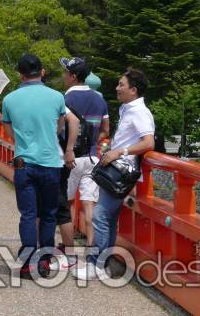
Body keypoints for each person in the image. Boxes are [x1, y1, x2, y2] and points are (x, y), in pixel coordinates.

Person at [1, 53, 78, 280]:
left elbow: (8, 130)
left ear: (20, 74)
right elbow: (60, 127)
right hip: (51, 162)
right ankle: (44, 262)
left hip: (24, 162)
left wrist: (23, 142)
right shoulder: (56, 97)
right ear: (42, 72)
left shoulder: (9, 99)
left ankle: (26, 263)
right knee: (48, 214)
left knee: (27, 215)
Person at [77, 68, 154, 281]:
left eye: (121, 85)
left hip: (120, 173)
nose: (117, 88)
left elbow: (149, 142)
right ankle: (104, 264)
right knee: (107, 218)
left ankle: (96, 265)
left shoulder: (139, 112)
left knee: (100, 215)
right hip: (113, 170)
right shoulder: (127, 109)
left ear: (134, 90)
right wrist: (113, 145)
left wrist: (121, 151)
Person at [60, 57, 109, 252]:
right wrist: (93, 140)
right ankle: (91, 248)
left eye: (65, 73)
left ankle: (68, 249)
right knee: (89, 205)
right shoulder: (99, 99)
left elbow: (59, 129)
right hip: (92, 158)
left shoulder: (65, 99)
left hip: (70, 158)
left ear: (73, 76)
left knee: (68, 204)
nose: (64, 76)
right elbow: (105, 129)